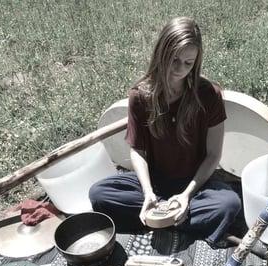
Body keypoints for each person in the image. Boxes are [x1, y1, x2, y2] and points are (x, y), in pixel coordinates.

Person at [89, 16, 241, 247]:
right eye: (174, 59)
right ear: (161, 52)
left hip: (196, 182)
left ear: (196, 62)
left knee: (229, 204)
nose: (179, 69)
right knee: (99, 194)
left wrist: (186, 195)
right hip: (155, 182)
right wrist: (148, 192)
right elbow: (137, 151)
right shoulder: (141, 96)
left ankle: (161, 218)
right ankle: (171, 216)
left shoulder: (208, 94)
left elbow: (213, 156)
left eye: (188, 63)